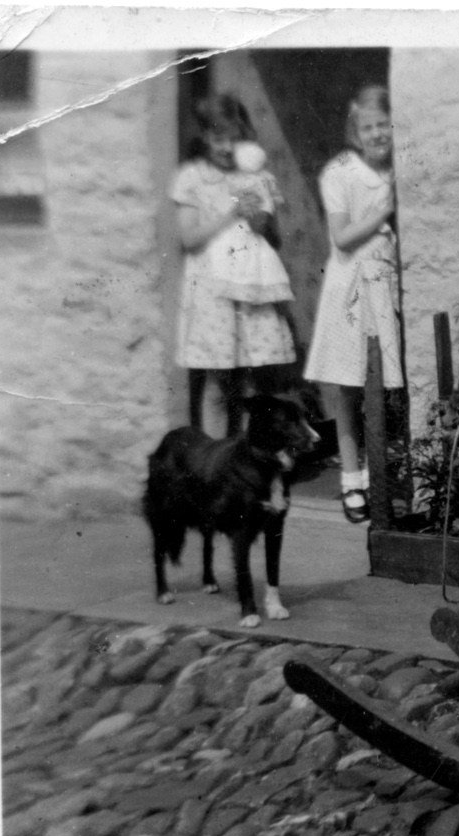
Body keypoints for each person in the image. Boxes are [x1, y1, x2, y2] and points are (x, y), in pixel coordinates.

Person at [171, 93, 295, 439]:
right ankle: (214, 464)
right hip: (212, 292)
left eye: (234, 138)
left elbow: (274, 238)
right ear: (205, 137)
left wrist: (259, 217)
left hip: (250, 287)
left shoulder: (255, 175)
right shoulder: (193, 177)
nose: (226, 146)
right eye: (217, 137)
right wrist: (230, 212)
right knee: (217, 383)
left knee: (248, 384)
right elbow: (189, 238)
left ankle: (243, 462)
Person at [304, 85, 399, 523]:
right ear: (355, 131)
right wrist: (385, 212)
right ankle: (350, 479)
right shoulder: (339, 172)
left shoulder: (399, 168)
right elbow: (342, 236)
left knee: (390, 382)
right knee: (349, 385)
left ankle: (387, 475)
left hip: (389, 283)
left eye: (384, 123)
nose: (377, 133)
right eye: (368, 126)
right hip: (352, 285)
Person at [205, 140, 294, 306]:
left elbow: (261, 215)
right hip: (233, 230)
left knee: (250, 266)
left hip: (248, 232)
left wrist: (257, 210)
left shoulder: (255, 182)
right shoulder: (237, 181)